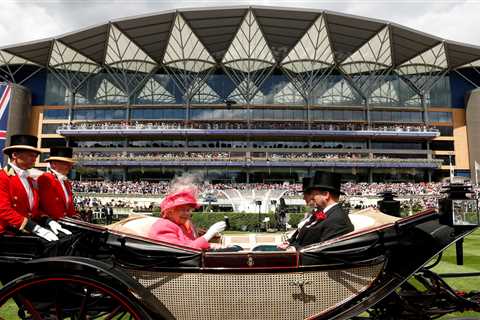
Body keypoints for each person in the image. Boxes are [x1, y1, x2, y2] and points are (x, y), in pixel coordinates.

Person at [0, 134, 59, 241]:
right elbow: (3, 209)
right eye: (31, 155)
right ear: (15, 155)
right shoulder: (2, 177)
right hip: (7, 233)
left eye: (35, 156)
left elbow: (33, 211)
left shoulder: (30, 180)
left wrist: (47, 220)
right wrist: (34, 227)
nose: (35, 159)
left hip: (24, 231)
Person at [287, 171, 354, 249]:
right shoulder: (327, 213)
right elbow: (307, 230)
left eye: (314, 194)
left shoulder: (337, 219)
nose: (312, 197)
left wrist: (293, 249)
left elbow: (322, 252)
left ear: (326, 195)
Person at [148, 188, 226, 250]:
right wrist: (209, 234)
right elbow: (184, 250)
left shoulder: (180, 225)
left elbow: (190, 243)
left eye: (188, 210)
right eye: (182, 210)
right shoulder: (163, 226)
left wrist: (213, 246)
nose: (188, 213)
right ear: (169, 212)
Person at [38, 147, 77, 222]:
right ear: (53, 164)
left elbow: (69, 207)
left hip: (65, 222)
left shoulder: (66, 182)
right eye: (66, 163)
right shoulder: (45, 179)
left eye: (70, 164)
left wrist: (74, 217)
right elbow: (48, 206)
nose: (69, 167)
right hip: (51, 223)